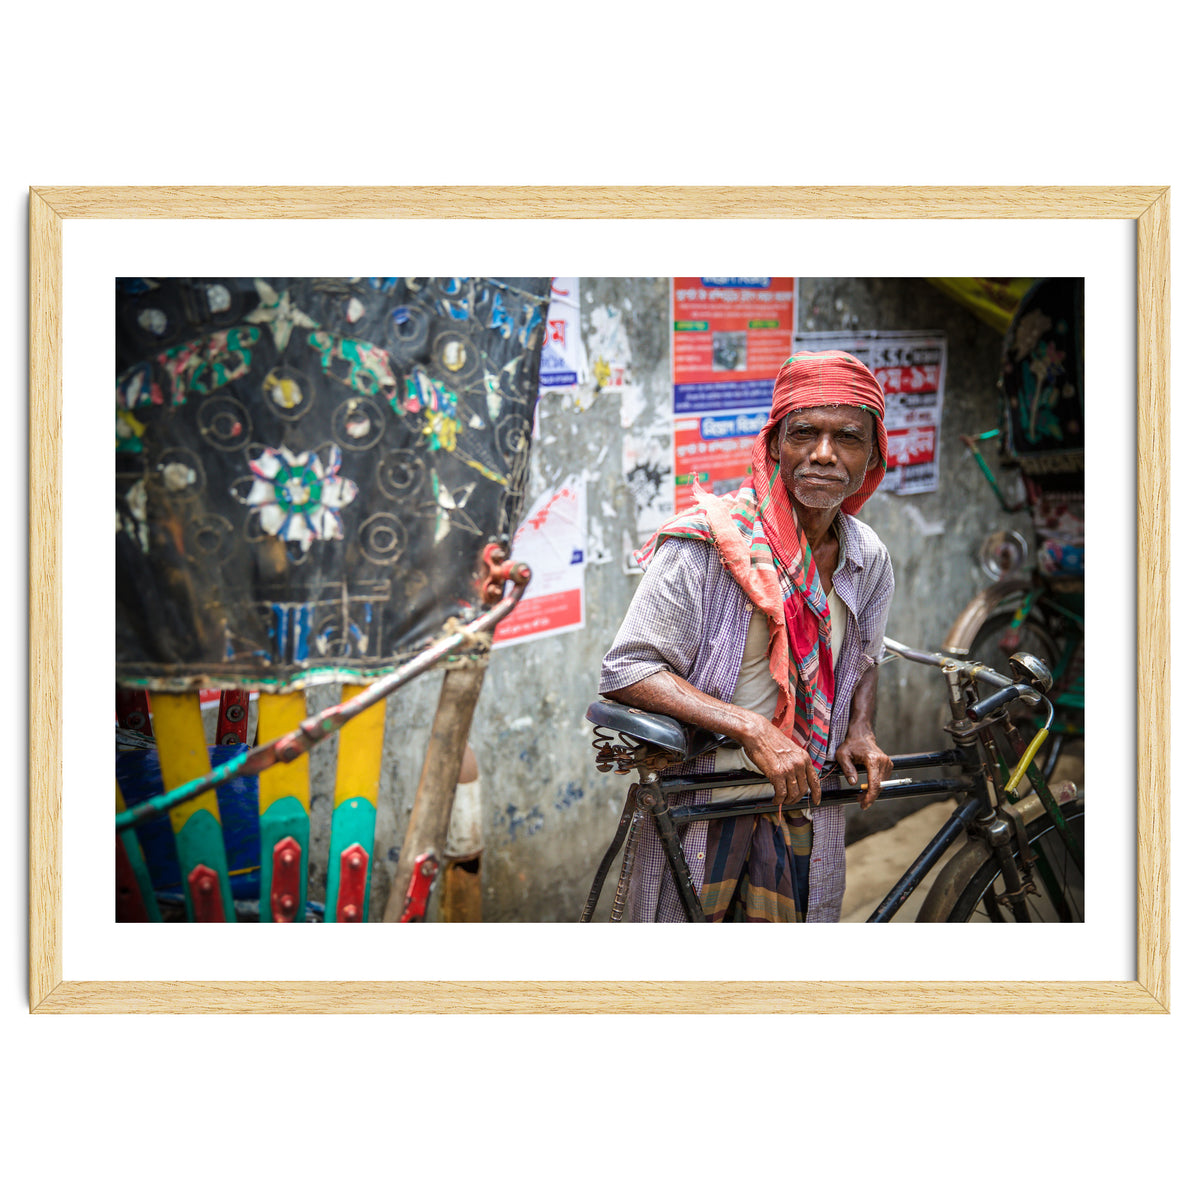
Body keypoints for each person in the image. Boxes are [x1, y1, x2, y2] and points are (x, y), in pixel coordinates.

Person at [599, 350, 895, 922]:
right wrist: (753, 727)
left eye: (849, 438)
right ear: (775, 445)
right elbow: (628, 670)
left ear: (874, 455)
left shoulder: (867, 558)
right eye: (804, 433)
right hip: (706, 801)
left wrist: (860, 728)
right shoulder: (707, 547)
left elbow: (864, 655)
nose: (824, 454)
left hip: (803, 798)